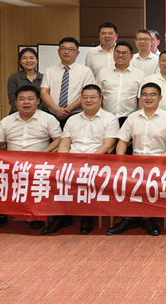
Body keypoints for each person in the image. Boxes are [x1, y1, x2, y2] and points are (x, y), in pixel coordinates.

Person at [107, 83, 166, 236]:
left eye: (153, 94)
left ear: (160, 98)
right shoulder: (133, 117)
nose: (148, 98)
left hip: (159, 162)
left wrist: (161, 160)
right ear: (140, 98)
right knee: (122, 178)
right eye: (145, 94)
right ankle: (130, 218)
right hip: (135, 163)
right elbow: (122, 141)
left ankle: (146, 218)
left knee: (148, 180)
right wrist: (121, 160)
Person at [0, 85, 62, 234]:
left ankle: (35, 215)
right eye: (22, 99)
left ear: (38, 101)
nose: (26, 102)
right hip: (11, 165)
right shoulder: (6, 121)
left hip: (38, 164)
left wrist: (44, 153)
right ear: (16, 102)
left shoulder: (48, 119)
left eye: (30, 99)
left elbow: (59, 139)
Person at [55, 84, 119, 235]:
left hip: (97, 161)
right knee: (55, 173)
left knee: (86, 175)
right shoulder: (72, 119)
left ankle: (86, 216)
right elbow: (64, 143)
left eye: (92, 97)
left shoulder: (110, 119)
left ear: (101, 99)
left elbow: (107, 145)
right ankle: (62, 216)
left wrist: (88, 161)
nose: (88, 100)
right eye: (85, 97)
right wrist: (63, 160)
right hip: (71, 160)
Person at [40, 37, 95, 129]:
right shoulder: (49, 71)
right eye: (63, 48)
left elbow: (87, 94)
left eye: (71, 49)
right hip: (53, 116)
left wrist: (67, 110)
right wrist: (56, 110)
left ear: (77, 53)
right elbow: (44, 92)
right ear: (58, 51)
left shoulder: (86, 71)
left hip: (76, 115)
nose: (66, 52)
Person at [96, 41, 143, 127]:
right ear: (113, 54)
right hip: (106, 119)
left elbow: (141, 100)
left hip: (129, 120)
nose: (120, 55)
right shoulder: (103, 73)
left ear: (131, 56)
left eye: (124, 53)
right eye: (117, 52)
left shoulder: (139, 75)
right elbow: (98, 97)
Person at [7, 47, 47, 113]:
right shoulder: (14, 77)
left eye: (31, 58)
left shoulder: (44, 77)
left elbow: (45, 99)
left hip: (40, 114)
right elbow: (12, 99)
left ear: (37, 60)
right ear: (20, 61)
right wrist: (24, 113)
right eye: (24, 58)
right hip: (18, 114)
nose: (28, 61)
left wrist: (36, 113)